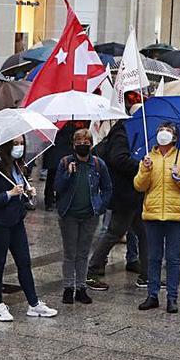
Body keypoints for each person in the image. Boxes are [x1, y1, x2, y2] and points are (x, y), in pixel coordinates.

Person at [0, 137, 58, 322]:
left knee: (24, 262)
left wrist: (27, 193)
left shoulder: (17, 166)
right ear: (6, 145)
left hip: (15, 220)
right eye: (15, 144)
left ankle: (34, 303)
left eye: (22, 143)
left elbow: (19, 191)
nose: (19, 147)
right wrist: (10, 193)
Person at [134, 122, 180, 313]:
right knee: (153, 257)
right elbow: (139, 185)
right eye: (161, 130)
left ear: (175, 137)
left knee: (173, 259)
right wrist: (145, 170)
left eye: (168, 131)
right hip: (153, 215)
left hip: (176, 216)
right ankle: (152, 295)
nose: (164, 133)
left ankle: (172, 297)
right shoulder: (148, 158)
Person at [88, 95, 148, 291]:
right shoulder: (123, 131)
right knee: (115, 231)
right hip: (125, 193)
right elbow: (118, 158)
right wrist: (142, 165)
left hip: (134, 192)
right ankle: (92, 269)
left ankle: (147, 273)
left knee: (144, 232)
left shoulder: (136, 131)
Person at [54, 128, 112, 305]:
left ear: (91, 145)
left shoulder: (97, 164)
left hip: (89, 215)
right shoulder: (65, 163)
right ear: (73, 145)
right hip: (69, 215)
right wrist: (67, 174)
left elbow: (108, 187)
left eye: (85, 143)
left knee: (83, 253)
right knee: (70, 253)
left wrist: (101, 207)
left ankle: (81, 288)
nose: (82, 146)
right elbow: (57, 187)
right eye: (79, 143)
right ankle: (68, 288)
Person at [43, 123, 76, 212]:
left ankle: (56, 199)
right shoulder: (56, 121)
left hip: (64, 150)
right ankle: (49, 201)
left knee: (61, 175)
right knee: (53, 175)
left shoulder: (71, 121)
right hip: (55, 150)